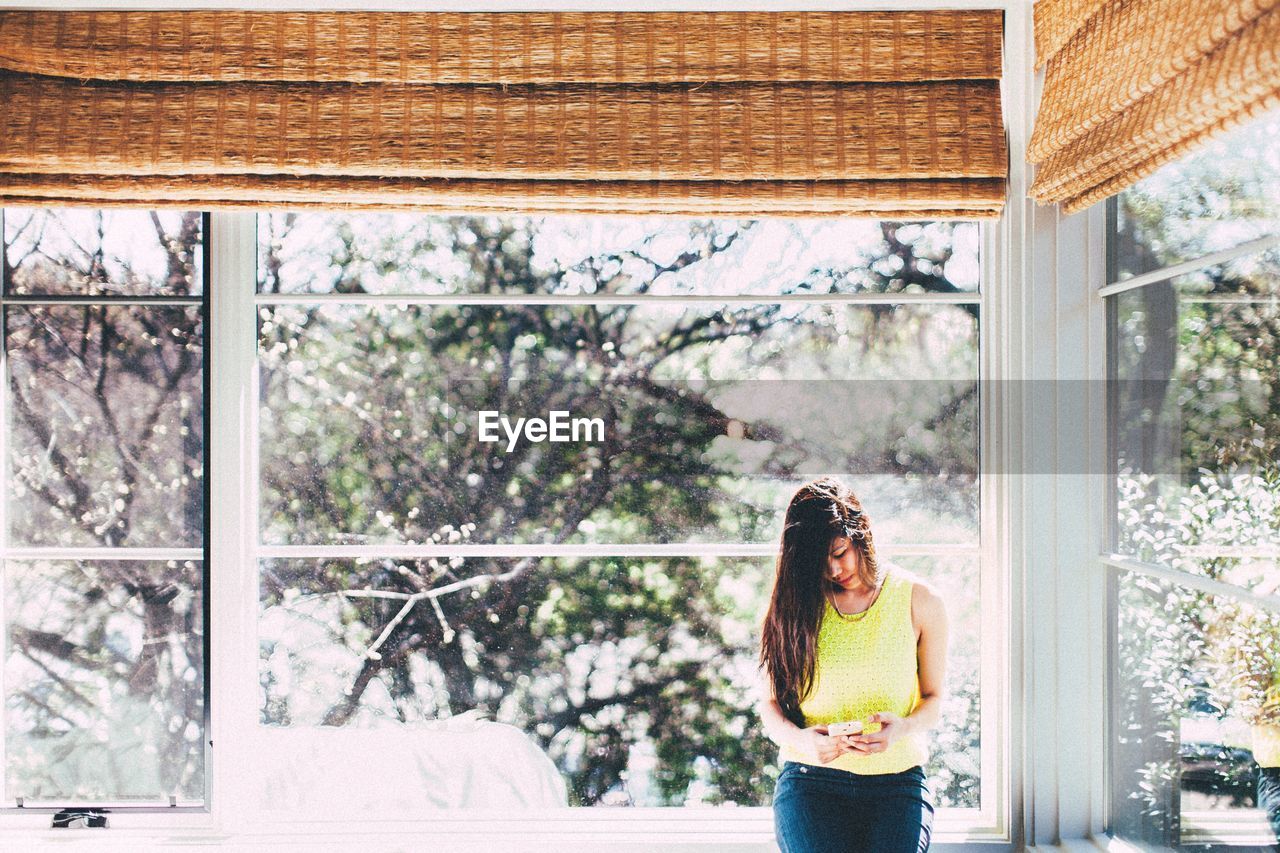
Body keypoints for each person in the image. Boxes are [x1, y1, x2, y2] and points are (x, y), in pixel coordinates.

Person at [756, 477, 950, 853]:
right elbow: (770, 705)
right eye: (819, 560)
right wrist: (802, 741)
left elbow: (934, 699)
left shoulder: (920, 601)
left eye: (840, 552)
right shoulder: (792, 605)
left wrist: (901, 729)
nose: (832, 569)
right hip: (811, 782)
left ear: (863, 532)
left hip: (897, 783)